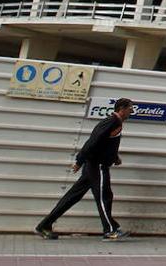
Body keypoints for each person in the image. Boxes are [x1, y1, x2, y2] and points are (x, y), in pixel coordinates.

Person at [35, 98, 134, 240]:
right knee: (104, 197)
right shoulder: (112, 121)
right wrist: (79, 160)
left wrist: (114, 157)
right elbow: (93, 141)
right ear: (121, 109)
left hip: (93, 166)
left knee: (72, 197)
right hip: (97, 166)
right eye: (130, 108)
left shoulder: (115, 123)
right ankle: (110, 230)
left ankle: (44, 225)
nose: (131, 111)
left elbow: (105, 143)